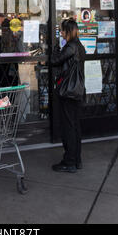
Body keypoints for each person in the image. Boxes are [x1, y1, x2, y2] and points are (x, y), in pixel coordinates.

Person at [50, 18, 86, 173]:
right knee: (75, 126)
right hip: (76, 92)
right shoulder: (79, 46)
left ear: (68, 31)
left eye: (62, 30)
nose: (61, 32)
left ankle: (69, 161)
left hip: (68, 92)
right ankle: (77, 160)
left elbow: (54, 60)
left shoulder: (70, 47)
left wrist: (56, 47)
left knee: (69, 127)